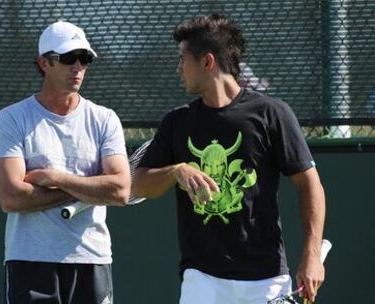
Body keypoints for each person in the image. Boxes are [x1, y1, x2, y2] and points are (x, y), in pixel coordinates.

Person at [133, 14, 326, 304]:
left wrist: (311, 256)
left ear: (207, 62)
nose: (178, 69)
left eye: (183, 59)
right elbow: (137, 184)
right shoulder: (177, 122)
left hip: (267, 279)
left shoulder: (272, 113)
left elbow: (309, 184)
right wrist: (176, 172)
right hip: (202, 278)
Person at [0, 20, 130, 304]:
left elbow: (120, 190)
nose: (77, 66)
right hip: (29, 262)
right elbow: (11, 198)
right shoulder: (13, 118)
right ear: (44, 63)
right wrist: (90, 187)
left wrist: (57, 179)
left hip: (92, 259)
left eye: (85, 59)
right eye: (68, 58)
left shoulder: (105, 119)